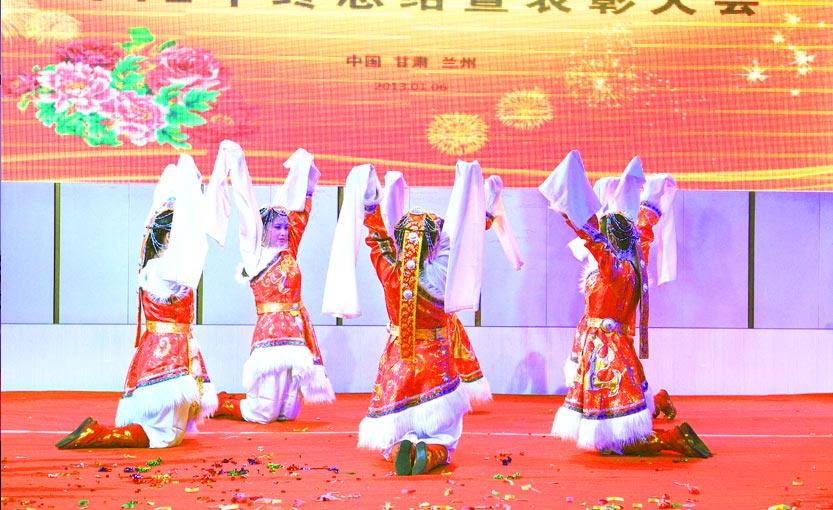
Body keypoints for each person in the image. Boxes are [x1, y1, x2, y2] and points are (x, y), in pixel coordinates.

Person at [543, 151, 711, 458]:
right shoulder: (634, 260)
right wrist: (650, 203)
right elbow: (643, 230)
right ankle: (658, 406)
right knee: (615, 421)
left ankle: (671, 438)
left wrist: (570, 212)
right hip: (604, 341)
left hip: (606, 348)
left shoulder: (616, 270)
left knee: (616, 433)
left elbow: (593, 240)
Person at [57, 154, 219, 449]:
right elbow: (196, 245)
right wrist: (190, 192)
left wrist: (185, 190)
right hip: (169, 353)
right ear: (167, 237)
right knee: (165, 436)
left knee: (166, 431)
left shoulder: (152, 265)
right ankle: (98, 434)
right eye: (177, 234)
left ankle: (102, 433)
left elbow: (167, 222)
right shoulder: (170, 270)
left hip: (161, 348)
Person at [210, 142, 335, 423]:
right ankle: (224, 403)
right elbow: (246, 206)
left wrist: (305, 179)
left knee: (288, 412)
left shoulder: (288, 250)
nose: (283, 232)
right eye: (277, 227)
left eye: (285, 228)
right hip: (270, 333)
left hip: (296, 331)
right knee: (264, 412)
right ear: (264, 229)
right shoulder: (255, 254)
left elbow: (300, 215)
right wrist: (237, 164)